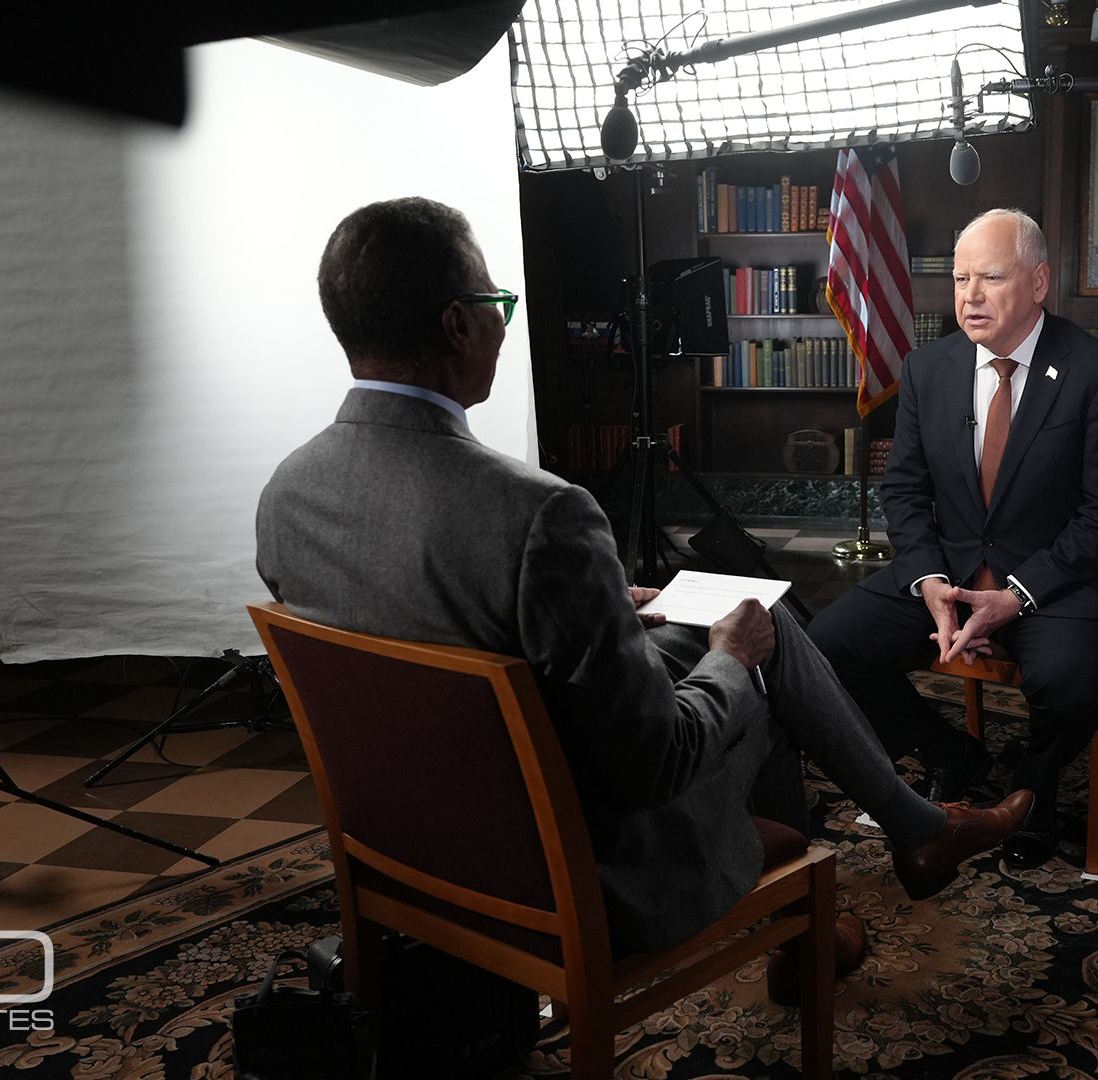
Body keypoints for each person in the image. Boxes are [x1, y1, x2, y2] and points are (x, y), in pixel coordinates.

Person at [254, 197, 1031, 964]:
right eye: (496, 303)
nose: (500, 323)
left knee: (748, 626)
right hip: (581, 864)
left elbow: (429, 639)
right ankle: (864, 878)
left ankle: (855, 889)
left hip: (417, 840)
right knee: (761, 660)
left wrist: (598, 609)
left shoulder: (287, 494)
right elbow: (653, 761)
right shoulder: (539, 515)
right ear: (459, 324)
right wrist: (729, 656)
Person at [808, 208, 1098, 867]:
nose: (970, 296)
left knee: (1073, 683)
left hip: (1056, 580)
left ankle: (1031, 794)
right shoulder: (928, 368)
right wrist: (931, 580)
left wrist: (1016, 594)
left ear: (1040, 282)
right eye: (961, 279)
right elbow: (904, 491)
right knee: (825, 648)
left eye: (991, 277)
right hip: (952, 570)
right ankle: (948, 751)